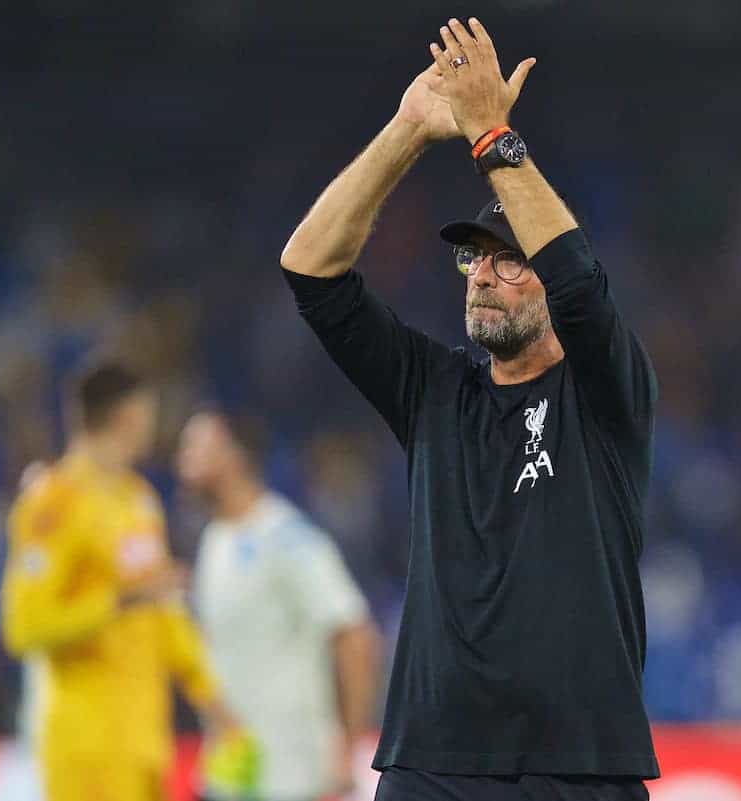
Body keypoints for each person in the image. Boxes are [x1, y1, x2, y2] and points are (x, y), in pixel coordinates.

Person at [279, 17, 659, 801]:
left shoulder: (604, 391)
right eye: (472, 257)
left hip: (579, 767)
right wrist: (409, 131)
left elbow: (583, 286)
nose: (481, 274)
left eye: (508, 258)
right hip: (430, 764)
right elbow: (311, 271)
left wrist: (491, 134)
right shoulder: (434, 389)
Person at [0, 360, 255, 801]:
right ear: (129, 415)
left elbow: (161, 609)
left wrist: (211, 698)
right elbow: (24, 626)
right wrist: (119, 600)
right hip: (86, 750)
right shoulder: (53, 502)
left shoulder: (138, 499)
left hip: (145, 745)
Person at [178, 409, 381, 801]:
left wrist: (349, 744)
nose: (182, 457)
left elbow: (355, 634)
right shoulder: (214, 538)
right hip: (232, 772)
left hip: (291, 773)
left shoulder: (287, 537)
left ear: (234, 456)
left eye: (196, 446)